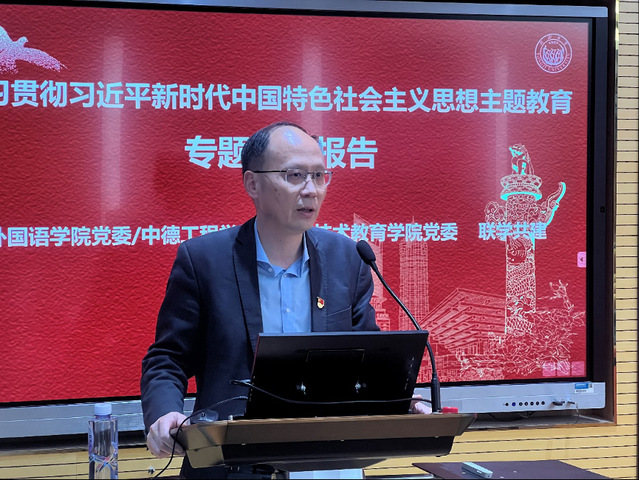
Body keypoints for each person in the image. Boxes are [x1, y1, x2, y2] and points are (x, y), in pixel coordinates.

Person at [140, 121, 385, 479]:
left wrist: (403, 399)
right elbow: (168, 358)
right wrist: (164, 414)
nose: (311, 190)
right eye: (295, 175)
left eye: (319, 176)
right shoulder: (204, 261)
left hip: (329, 463)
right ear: (252, 183)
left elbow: (368, 358)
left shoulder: (348, 257)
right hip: (231, 465)